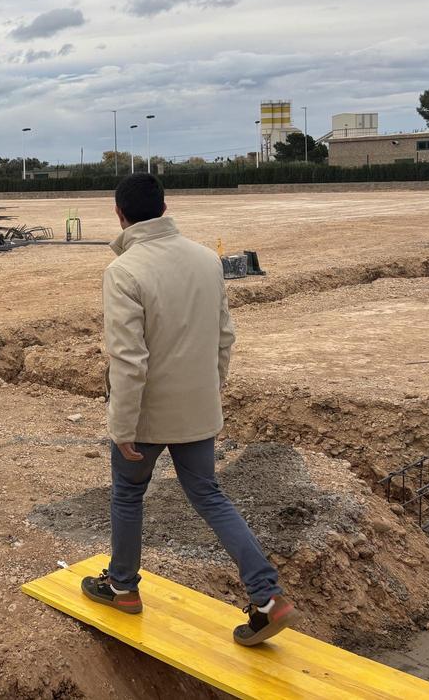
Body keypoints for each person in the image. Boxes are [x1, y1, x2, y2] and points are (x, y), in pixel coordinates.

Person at [81, 173, 298, 647]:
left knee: (127, 495)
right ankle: (267, 596)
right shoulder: (206, 260)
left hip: (147, 414)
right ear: (164, 208)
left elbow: (129, 357)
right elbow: (224, 337)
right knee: (209, 496)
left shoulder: (124, 271)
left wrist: (121, 425)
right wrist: (209, 390)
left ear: (119, 214)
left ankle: (122, 587)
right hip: (197, 407)